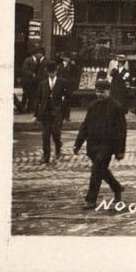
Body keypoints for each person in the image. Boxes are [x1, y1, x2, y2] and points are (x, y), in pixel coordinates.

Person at [73, 79, 127, 210]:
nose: (99, 94)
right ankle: (116, 187)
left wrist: (120, 150)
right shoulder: (93, 106)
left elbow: (121, 131)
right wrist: (78, 143)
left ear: (109, 91)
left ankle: (90, 200)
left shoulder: (116, 107)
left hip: (108, 145)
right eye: (97, 91)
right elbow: (85, 126)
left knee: (96, 170)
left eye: (102, 92)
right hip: (92, 145)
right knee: (101, 170)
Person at [35, 62, 68, 163]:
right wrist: (36, 114)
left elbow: (67, 98)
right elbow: (38, 99)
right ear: (47, 72)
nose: (51, 74)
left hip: (57, 113)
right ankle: (46, 156)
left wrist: (64, 113)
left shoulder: (62, 82)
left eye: (53, 72)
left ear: (56, 71)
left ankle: (58, 147)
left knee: (56, 134)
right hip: (46, 113)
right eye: (49, 72)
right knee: (45, 136)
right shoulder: (43, 83)